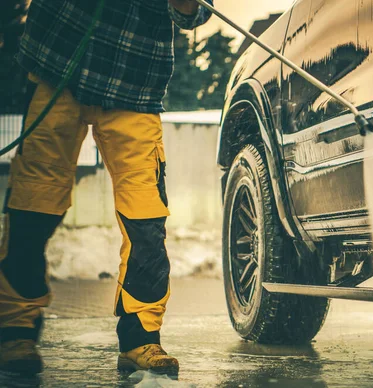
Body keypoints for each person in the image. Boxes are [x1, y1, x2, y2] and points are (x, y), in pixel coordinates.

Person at [0, 0, 213, 376]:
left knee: (146, 220)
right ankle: (15, 328)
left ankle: (141, 337)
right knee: (31, 208)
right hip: (58, 67)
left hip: (134, 83)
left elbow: (195, 12)